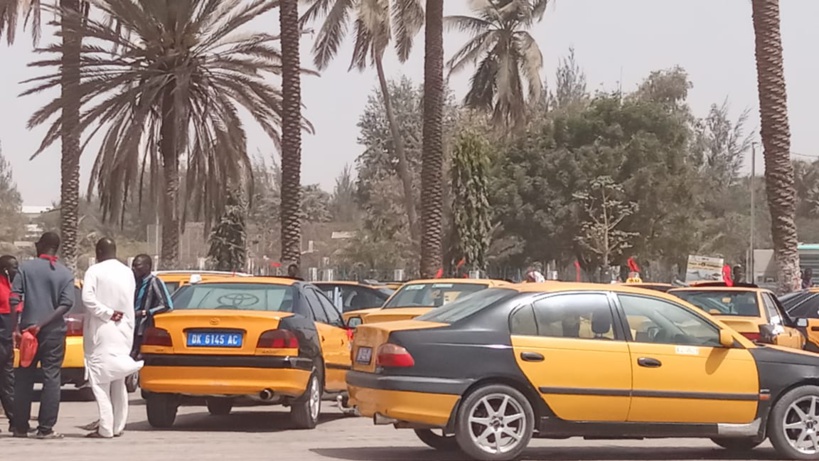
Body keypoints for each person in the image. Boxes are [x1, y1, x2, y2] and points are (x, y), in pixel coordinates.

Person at [10, 232, 75, 439]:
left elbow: (14, 298)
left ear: (41, 246)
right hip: (53, 332)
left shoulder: (25, 268)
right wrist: (43, 324)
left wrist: (16, 328)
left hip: (28, 333)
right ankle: (45, 429)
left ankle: (20, 427)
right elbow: (66, 304)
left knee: (24, 378)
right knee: (51, 378)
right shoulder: (65, 273)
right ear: (56, 248)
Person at [82, 238, 142, 438]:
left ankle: (106, 428)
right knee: (118, 380)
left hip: (103, 330)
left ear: (98, 251)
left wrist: (106, 312)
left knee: (100, 382)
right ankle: (118, 426)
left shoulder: (94, 271)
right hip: (124, 331)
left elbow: (87, 298)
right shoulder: (127, 272)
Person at [131, 254, 173, 359]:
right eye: (133, 265)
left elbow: (166, 305)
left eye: (137, 265)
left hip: (144, 327)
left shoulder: (154, 282)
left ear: (147, 266)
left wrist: (145, 312)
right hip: (131, 327)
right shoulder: (134, 283)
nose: (134, 269)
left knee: (138, 355)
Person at [0, 255, 19, 432]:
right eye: (14, 267)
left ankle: (16, 422)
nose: (16, 270)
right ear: (5, 269)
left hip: (6, 340)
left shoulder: (12, 286)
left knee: (8, 382)